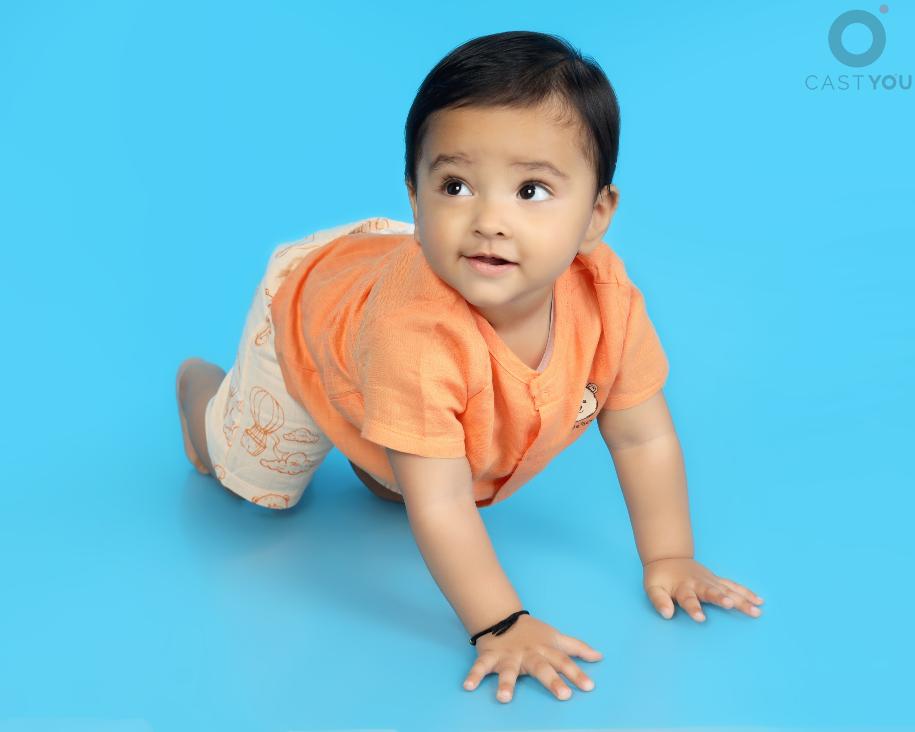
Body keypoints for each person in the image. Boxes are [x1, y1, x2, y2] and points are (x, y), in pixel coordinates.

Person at [175, 30, 765, 704]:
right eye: (454, 186)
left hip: (398, 279)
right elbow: (444, 503)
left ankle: (381, 444)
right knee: (263, 486)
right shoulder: (415, 338)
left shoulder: (606, 299)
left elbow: (642, 435)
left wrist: (670, 555)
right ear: (415, 195)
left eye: (531, 191)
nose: (488, 220)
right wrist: (501, 624)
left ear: (596, 214)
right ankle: (201, 401)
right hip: (312, 308)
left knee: (406, 470)